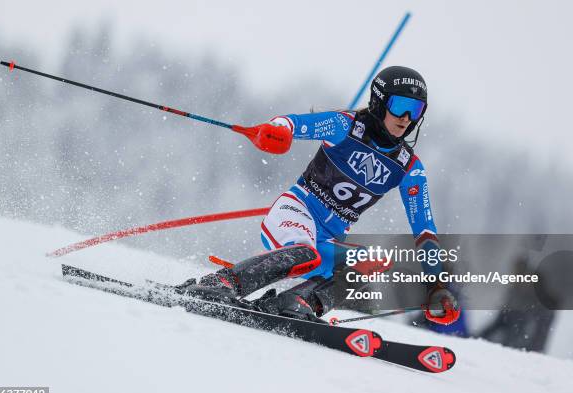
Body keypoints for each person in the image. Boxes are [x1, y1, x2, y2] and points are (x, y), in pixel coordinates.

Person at [185, 66, 460, 325]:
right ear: (379, 102)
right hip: (295, 213)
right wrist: (276, 130)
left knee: (375, 259)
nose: (406, 118)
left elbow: (425, 231)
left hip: (328, 240)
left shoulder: (408, 166)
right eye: (400, 106)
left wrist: (437, 285)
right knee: (306, 252)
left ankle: (299, 302)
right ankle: (221, 283)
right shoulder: (346, 126)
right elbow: (292, 123)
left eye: (416, 110)